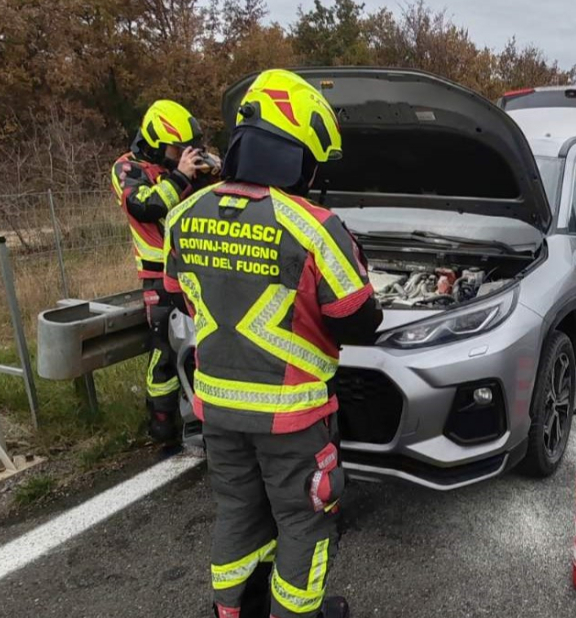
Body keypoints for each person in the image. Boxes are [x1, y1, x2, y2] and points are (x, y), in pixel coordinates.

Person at [163, 69, 382, 618]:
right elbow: (359, 320)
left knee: (237, 511)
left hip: (216, 407)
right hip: (292, 419)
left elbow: (179, 296)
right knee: (305, 520)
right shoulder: (314, 226)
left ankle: (233, 610)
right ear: (298, 155)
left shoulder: (183, 215)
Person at [111, 100, 220, 444]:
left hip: (197, 268)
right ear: (157, 142)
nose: (180, 155)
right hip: (158, 275)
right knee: (164, 352)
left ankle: (206, 415)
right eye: (175, 149)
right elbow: (144, 207)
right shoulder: (128, 169)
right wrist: (181, 175)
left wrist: (214, 167)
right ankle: (162, 426)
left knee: (208, 343)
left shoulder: (181, 166)